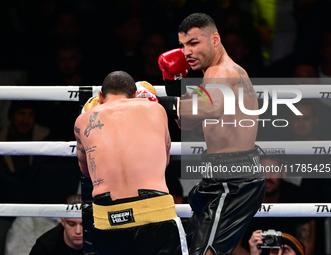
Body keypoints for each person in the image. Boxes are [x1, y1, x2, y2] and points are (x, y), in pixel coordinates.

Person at [157, 13, 266, 255]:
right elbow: (186, 122)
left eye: (194, 43)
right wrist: (174, 86)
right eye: (183, 45)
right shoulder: (213, 75)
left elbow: (212, 106)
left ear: (215, 39)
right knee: (195, 249)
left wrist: (158, 101)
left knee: (207, 252)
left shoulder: (221, 71)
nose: (186, 52)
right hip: (222, 174)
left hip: (234, 178)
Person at [74, 71, 188, 254]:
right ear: (136, 95)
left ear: (100, 97)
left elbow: (86, 171)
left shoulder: (82, 121)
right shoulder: (156, 110)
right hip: (154, 212)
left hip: (108, 219)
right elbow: (164, 162)